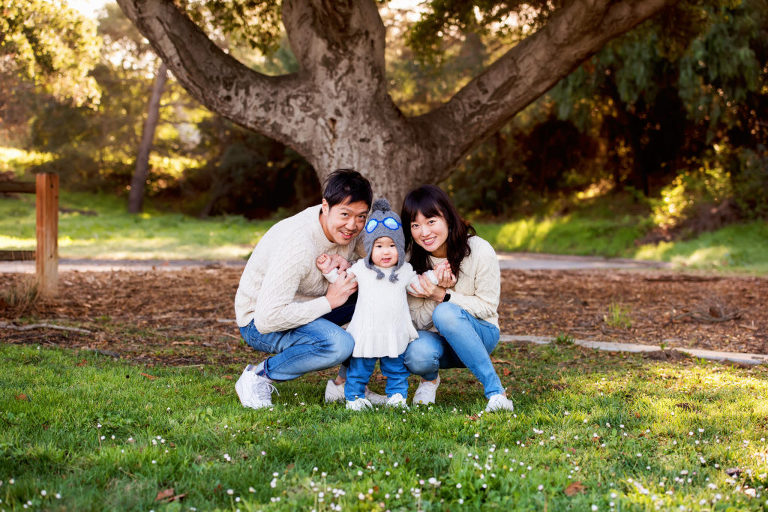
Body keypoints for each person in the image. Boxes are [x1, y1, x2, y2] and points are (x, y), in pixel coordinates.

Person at [234, 169, 374, 410]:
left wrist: (352, 266)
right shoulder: (298, 245)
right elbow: (268, 319)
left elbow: (383, 265)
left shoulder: (350, 231)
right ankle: (258, 377)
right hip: (260, 321)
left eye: (361, 216)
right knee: (338, 344)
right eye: (345, 214)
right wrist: (330, 302)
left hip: (309, 311)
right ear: (325, 206)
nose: (353, 225)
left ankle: (347, 386)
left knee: (377, 296)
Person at [402, 184, 515, 412]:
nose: (424, 232)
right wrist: (431, 295)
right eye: (415, 225)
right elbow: (418, 323)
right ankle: (429, 380)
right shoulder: (409, 264)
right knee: (416, 353)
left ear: (448, 218)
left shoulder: (479, 250)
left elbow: (487, 307)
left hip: (481, 333)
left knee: (446, 312)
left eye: (431, 221)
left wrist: (443, 296)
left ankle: (496, 393)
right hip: (437, 341)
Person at [318, 199, 437, 411]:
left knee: (396, 369)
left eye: (392, 246)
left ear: (400, 248)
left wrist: (436, 277)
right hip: (366, 333)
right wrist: (329, 271)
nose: (386, 252)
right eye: (379, 246)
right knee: (359, 368)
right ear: (370, 248)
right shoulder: (362, 270)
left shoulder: (405, 271)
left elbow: (419, 285)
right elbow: (342, 280)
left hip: (394, 332)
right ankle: (354, 398)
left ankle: (397, 397)